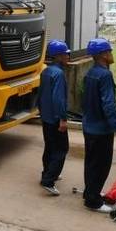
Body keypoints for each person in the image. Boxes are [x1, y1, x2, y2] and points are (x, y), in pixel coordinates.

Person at [82, 38, 116, 212]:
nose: (111, 54)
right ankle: (93, 201)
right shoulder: (105, 75)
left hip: (89, 126)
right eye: (109, 52)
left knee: (91, 163)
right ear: (102, 55)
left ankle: (89, 193)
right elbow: (108, 104)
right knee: (101, 165)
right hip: (101, 129)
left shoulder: (90, 73)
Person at [37, 40, 72, 195]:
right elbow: (59, 98)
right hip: (56, 119)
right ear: (58, 56)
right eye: (65, 53)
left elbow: (40, 95)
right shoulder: (58, 74)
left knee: (49, 147)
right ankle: (48, 180)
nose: (68, 56)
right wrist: (63, 119)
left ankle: (47, 173)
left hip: (46, 117)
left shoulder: (46, 71)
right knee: (61, 149)